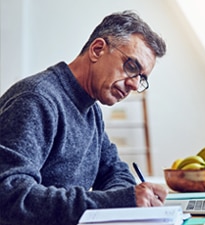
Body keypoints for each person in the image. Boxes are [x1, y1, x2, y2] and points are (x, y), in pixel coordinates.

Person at [0, 10, 167, 225]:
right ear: (97, 50)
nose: (134, 84)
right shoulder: (36, 99)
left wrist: (119, 201)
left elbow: (115, 173)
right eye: (131, 67)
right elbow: (10, 197)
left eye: (141, 78)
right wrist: (113, 203)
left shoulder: (91, 110)